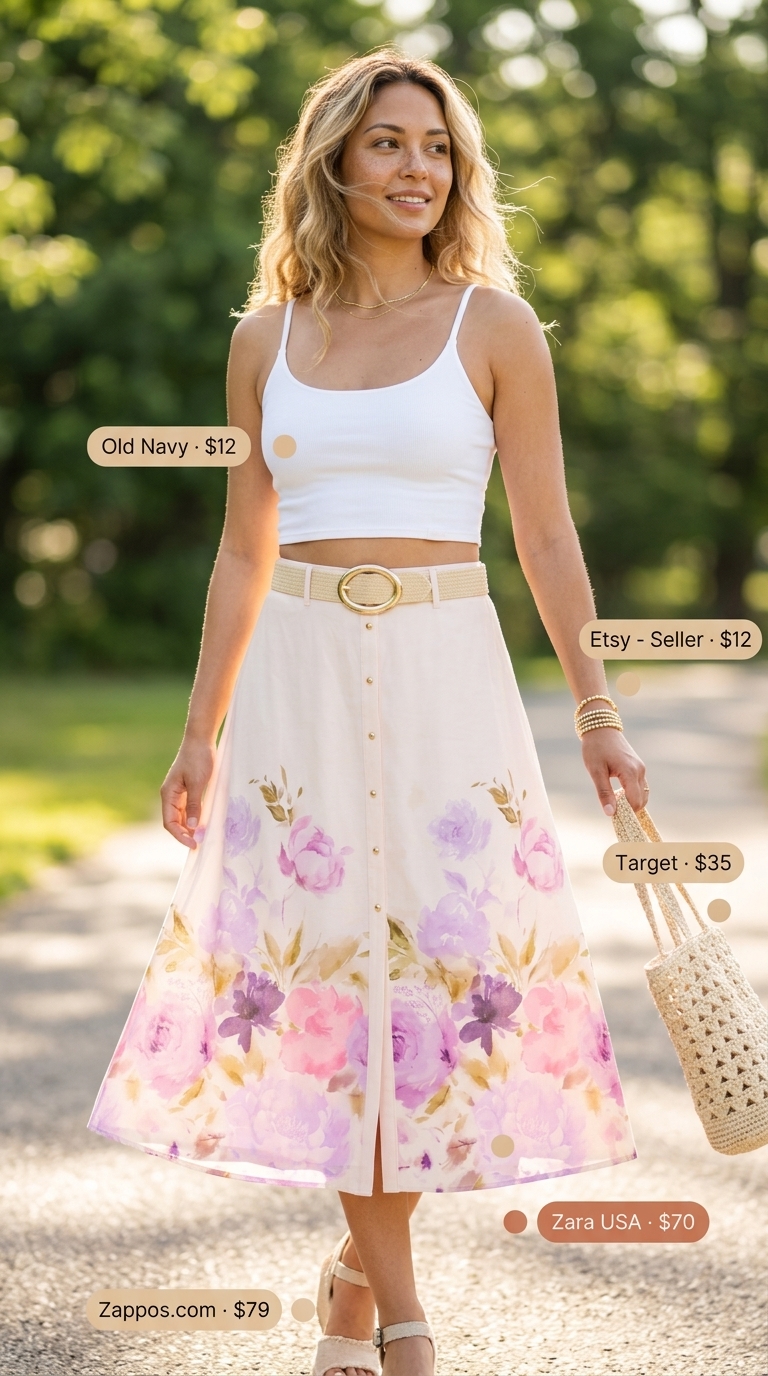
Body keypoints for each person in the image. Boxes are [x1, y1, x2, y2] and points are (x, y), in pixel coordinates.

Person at [88, 49, 649, 1376]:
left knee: (429, 979)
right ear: (334, 159)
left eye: (438, 149)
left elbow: (547, 530)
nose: (417, 169)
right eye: (389, 143)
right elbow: (242, 550)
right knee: (334, 973)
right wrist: (197, 730)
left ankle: (359, 1271)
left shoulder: (494, 327)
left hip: (451, 671)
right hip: (299, 681)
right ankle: (403, 1314)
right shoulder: (263, 340)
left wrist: (598, 706)